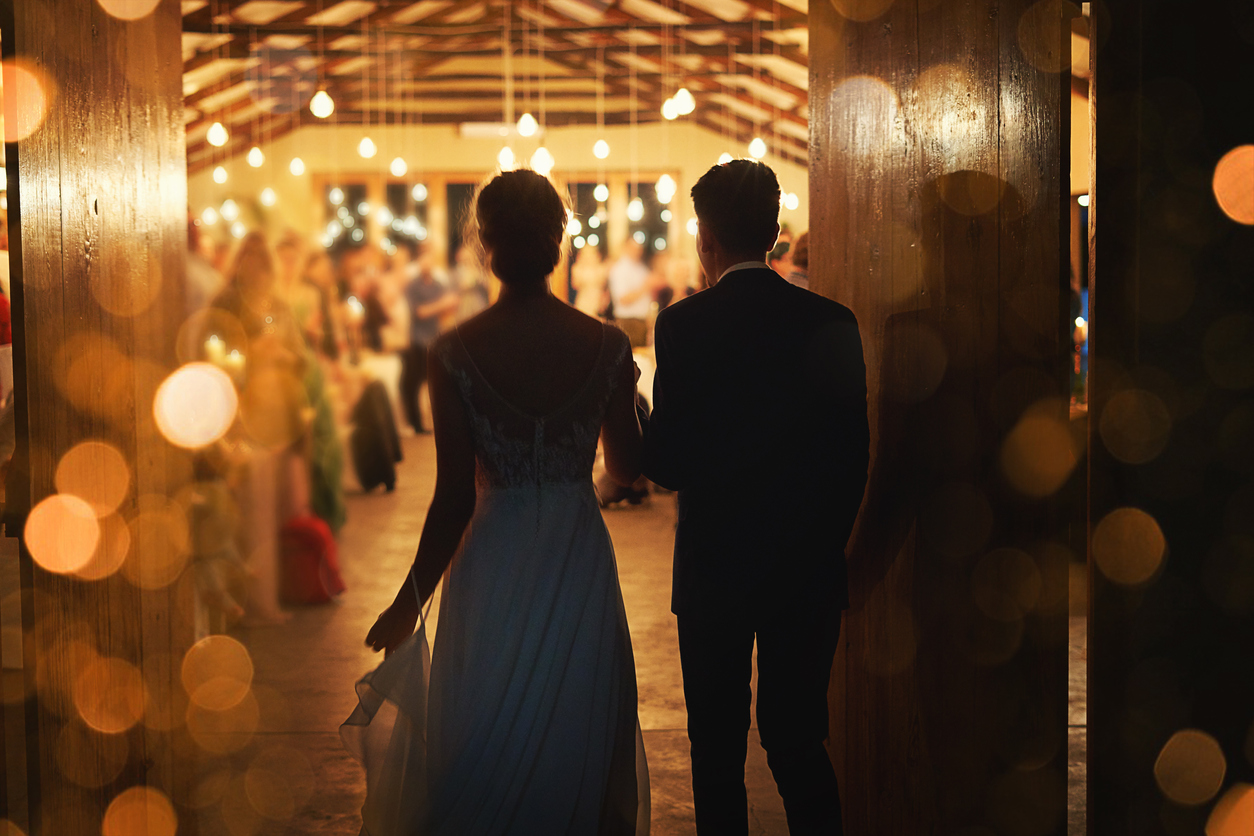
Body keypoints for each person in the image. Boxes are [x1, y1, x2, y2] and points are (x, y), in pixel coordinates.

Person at [343, 169, 650, 835]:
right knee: (575, 723)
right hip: (576, 556)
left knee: (483, 724)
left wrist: (408, 603)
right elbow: (627, 468)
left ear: (484, 243)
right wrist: (583, 480)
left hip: (493, 560)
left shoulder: (454, 351)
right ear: (559, 241)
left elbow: (454, 498)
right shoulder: (608, 346)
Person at [642, 160, 869, 835]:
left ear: (705, 237)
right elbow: (853, 456)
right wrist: (829, 546)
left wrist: (633, 410)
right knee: (798, 743)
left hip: (714, 570)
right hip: (807, 567)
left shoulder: (683, 326)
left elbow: (667, 466)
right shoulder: (833, 320)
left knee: (716, 751)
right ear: (774, 232)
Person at [400, 242, 457, 433]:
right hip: (417, 340)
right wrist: (443, 304)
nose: (427, 263)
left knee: (435, 383)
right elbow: (419, 312)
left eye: (430, 259)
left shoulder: (439, 284)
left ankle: (437, 423)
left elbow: (446, 311)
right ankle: (416, 424)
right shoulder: (413, 285)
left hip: (434, 339)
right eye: (424, 259)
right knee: (415, 384)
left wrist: (449, 306)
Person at [608, 239, 651, 347]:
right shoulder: (620, 269)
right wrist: (645, 286)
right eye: (634, 248)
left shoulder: (641, 268)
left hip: (641, 321)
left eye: (639, 249)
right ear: (626, 248)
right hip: (628, 322)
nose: (638, 251)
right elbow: (623, 299)